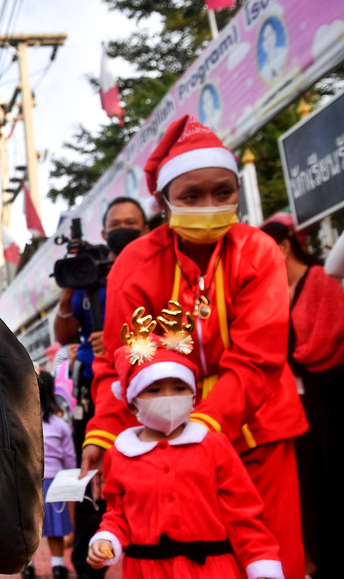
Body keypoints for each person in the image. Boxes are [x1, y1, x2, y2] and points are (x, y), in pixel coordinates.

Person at [80, 115, 307, 579]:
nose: (209, 205)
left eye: (223, 193)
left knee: (271, 557)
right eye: (190, 196)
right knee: (177, 561)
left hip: (258, 432)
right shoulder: (135, 263)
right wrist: (104, 434)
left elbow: (257, 361)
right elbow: (121, 362)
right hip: (161, 441)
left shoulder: (259, 251)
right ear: (164, 203)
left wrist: (196, 431)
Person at [86, 303, 284, 579]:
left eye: (179, 388)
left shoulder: (214, 446)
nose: (168, 397)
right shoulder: (120, 456)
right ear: (132, 404)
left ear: (193, 396)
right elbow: (117, 514)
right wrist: (107, 539)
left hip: (213, 571)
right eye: (154, 390)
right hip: (147, 572)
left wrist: (261, 564)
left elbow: (244, 514)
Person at [53, 196, 148, 579]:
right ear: (104, 232)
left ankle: (142, 549)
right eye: (117, 223)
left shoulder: (155, 269)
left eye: (133, 222)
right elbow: (64, 333)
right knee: (92, 478)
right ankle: (89, 558)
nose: (125, 229)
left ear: (146, 227)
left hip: (148, 392)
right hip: (95, 398)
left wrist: (121, 345)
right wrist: (67, 288)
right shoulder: (90, 274)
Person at [261, 217, 344, 579]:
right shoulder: (277, 294)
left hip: (335, 397)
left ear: (282, 247)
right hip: (302, 409)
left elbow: (328, 338)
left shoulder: (322, 280)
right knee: (313, 488)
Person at [22, 371, 75, 579]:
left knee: (29, 527)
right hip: (56, 481)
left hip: (29, 481)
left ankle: (28, 566)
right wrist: (71, 476)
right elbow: (69, 455)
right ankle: (58, 565)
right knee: (56, 528)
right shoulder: (59, 424)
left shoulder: (22, 420)